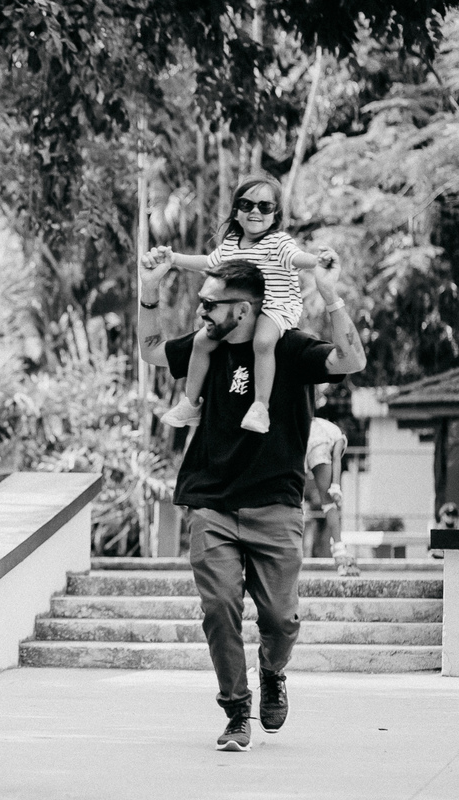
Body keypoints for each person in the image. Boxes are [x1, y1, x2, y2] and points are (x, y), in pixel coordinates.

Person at [138, 250, 367, 752]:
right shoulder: (206, 346)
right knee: (219, 608)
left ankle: (272, 670)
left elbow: (351, 360)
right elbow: (152, 349)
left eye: (210, 305)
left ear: (242, 309)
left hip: (276, 504)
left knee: (281, 621)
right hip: (213, 502)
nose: (201, 312)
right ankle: (236, 708)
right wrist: (150, 290)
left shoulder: (288, 349)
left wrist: (330, 296)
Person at [157, 174, 332, 434]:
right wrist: (174, 259)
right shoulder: (230, 245)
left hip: (276, 306)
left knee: (263, 342)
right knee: (201, 342)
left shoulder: (278, 243)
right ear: (237, 212)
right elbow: (208, 264)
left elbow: (297, 258)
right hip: (239, 312)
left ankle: (260, 407)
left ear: (275, 215)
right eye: (247, 205)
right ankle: (191, 403)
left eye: (265, 207)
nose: (255, 211)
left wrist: (320, 261)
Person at [303, 414, 348, 559]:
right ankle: (339, 548)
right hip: (318, 442)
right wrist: (335, 486)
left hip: (302, 435)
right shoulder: (339, 437)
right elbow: (336, 458)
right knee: (328, 503)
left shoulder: (326, 426)